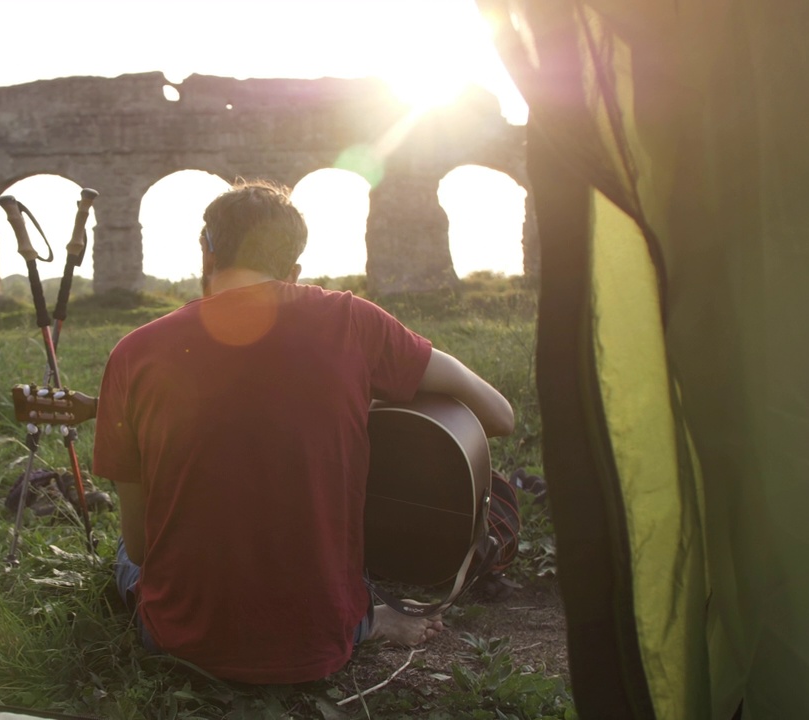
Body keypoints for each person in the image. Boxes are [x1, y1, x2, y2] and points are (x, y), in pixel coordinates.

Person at [91, 180, 514, 684]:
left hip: (179, 639)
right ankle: (365, 619)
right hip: (322, 638)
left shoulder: (134, 352)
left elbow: (142, 548)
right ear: (294, 271)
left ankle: (354, 618)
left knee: (122, 553)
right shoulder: (353, 322)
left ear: (206, 254)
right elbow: (500, 415)